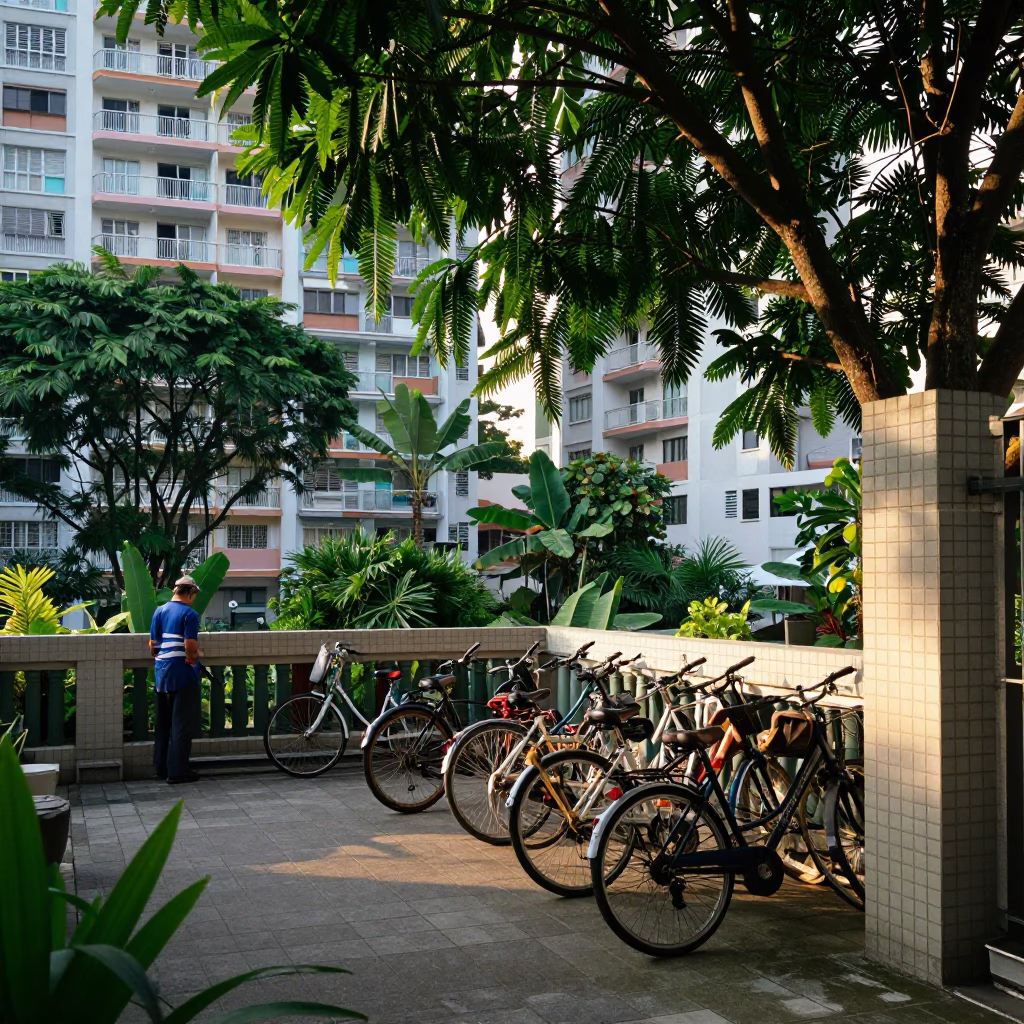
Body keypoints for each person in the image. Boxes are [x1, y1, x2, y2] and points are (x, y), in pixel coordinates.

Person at [149, 575, 203, 784]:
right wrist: (192, 659)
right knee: (181, 723)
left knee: (163, 723)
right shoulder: (189, 614)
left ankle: (161, 767)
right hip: (182, 673)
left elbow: (153, 645)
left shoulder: (159, 611)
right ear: (189, 593)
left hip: (162, 672)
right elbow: (190, 645)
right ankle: (178, 771)